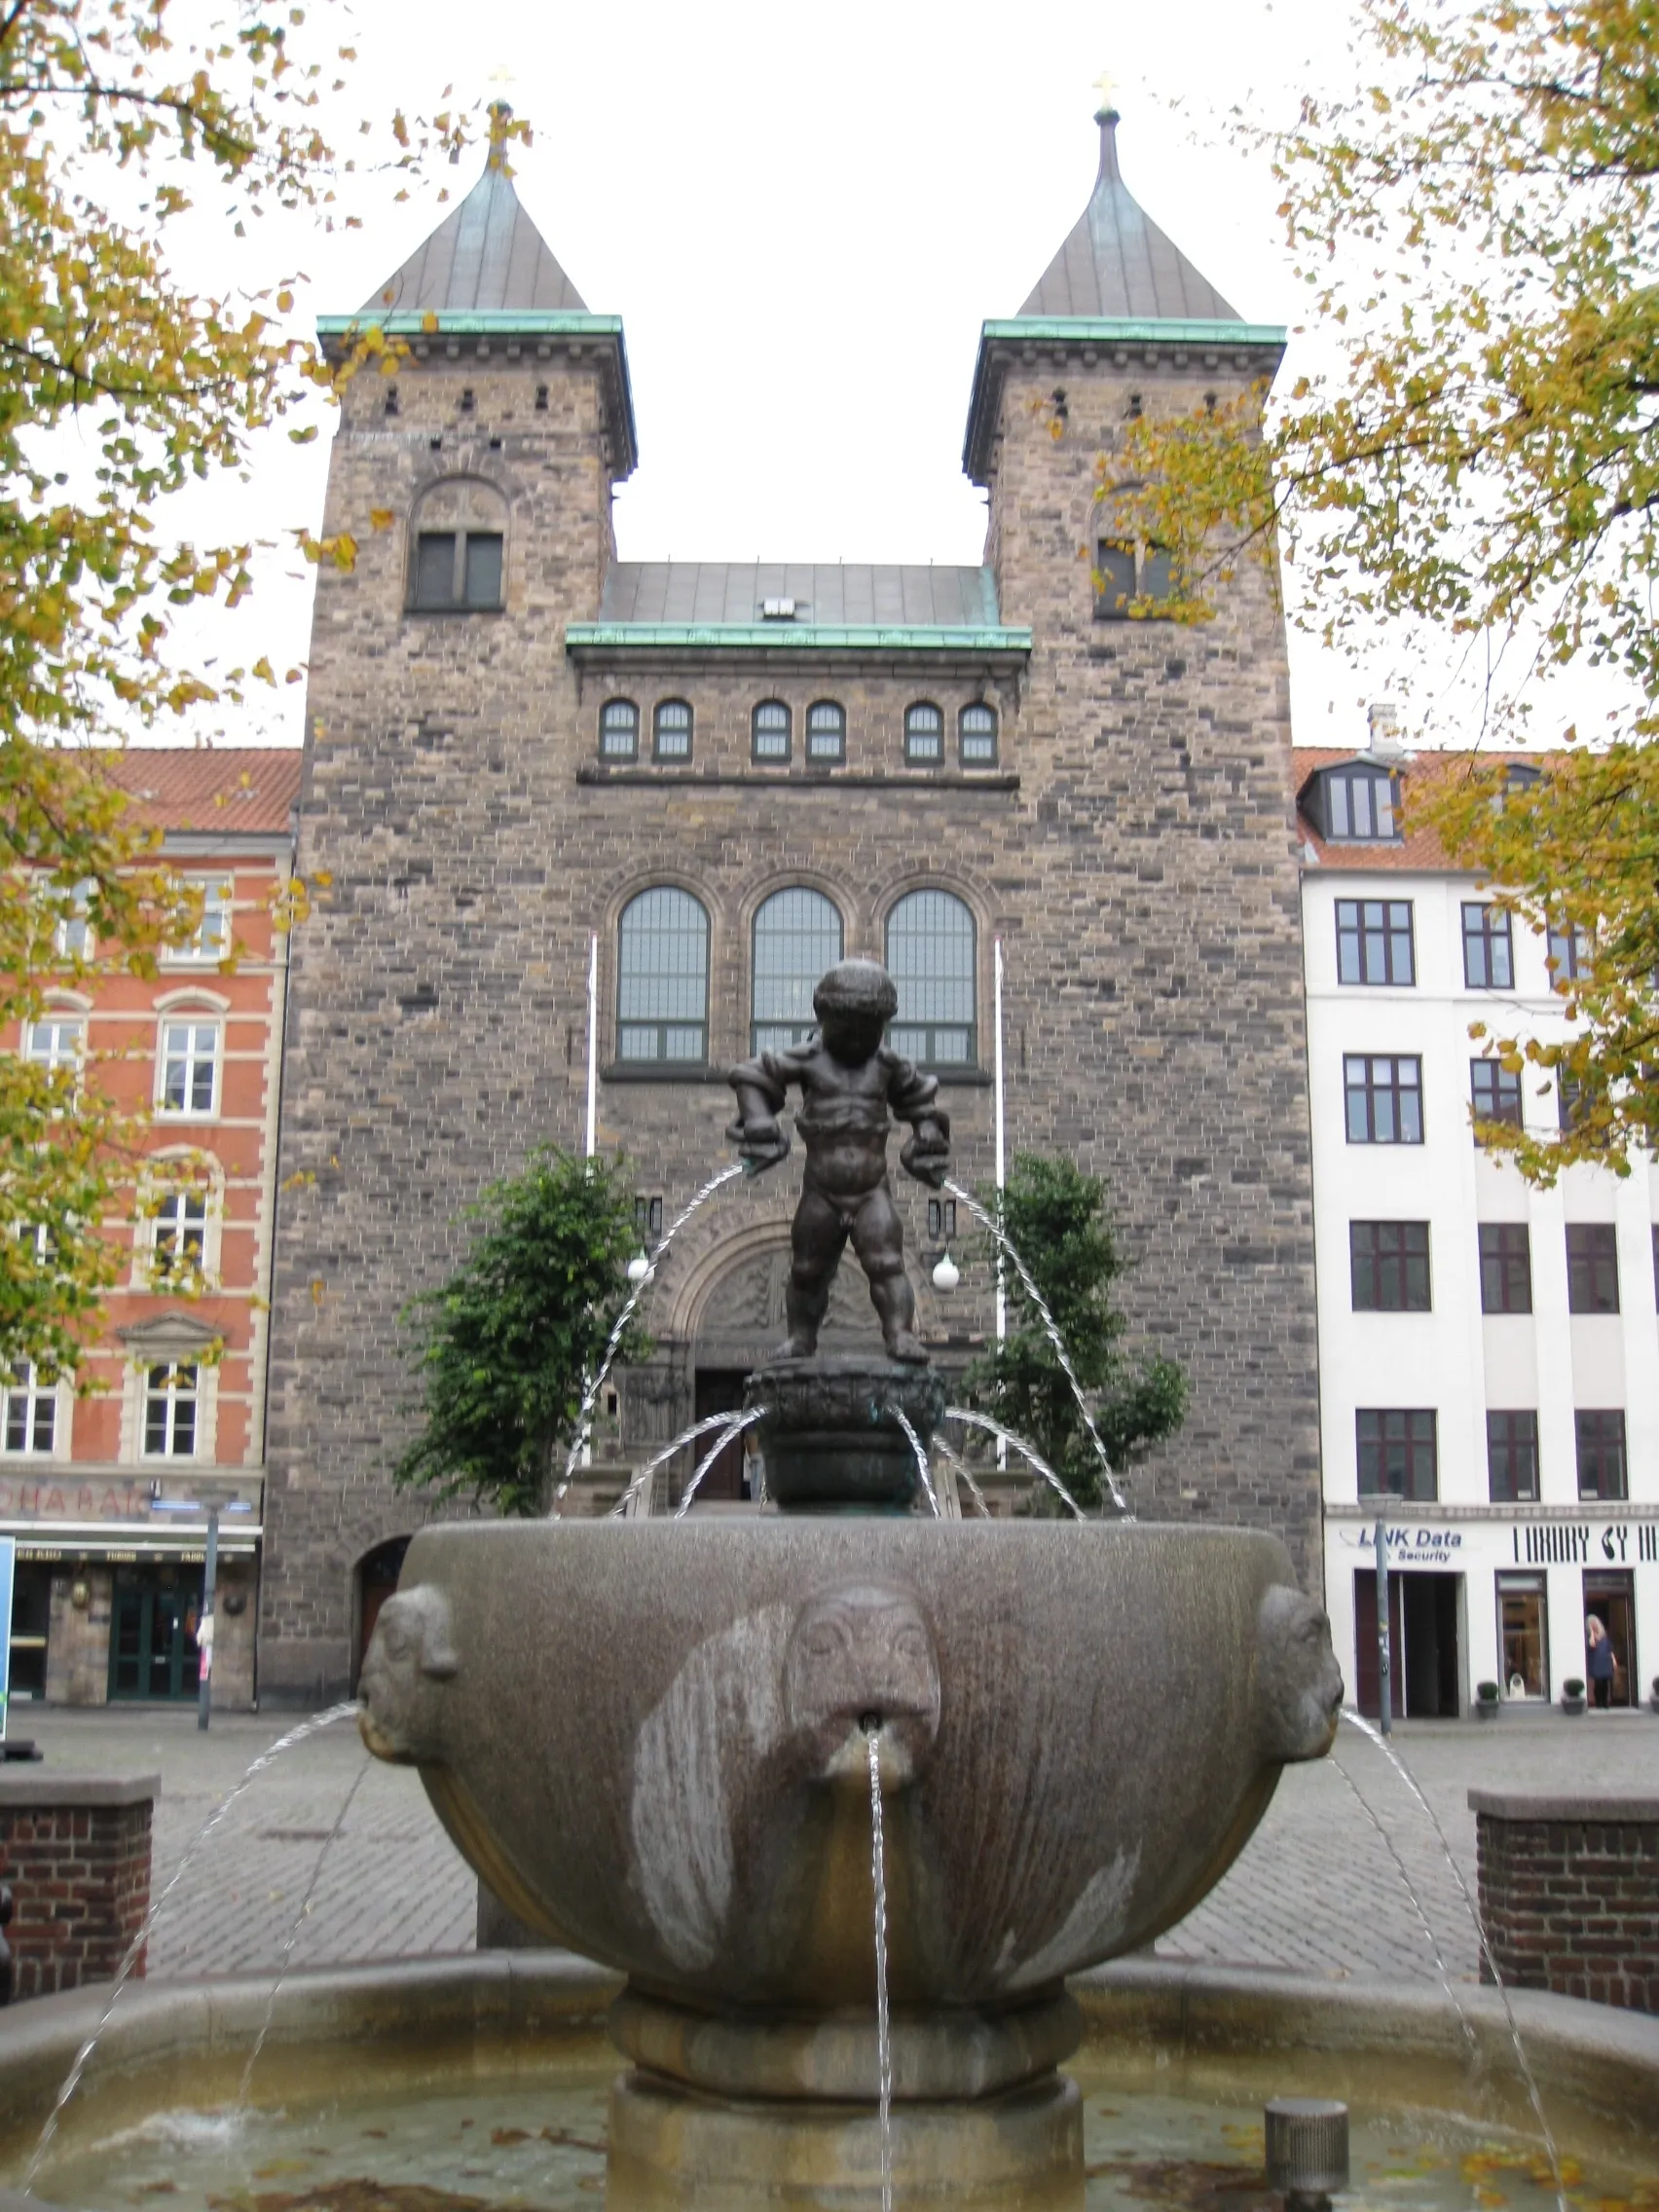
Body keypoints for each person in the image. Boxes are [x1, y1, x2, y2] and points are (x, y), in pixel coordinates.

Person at [726, 958, 950, 1364]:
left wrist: (928, 1132)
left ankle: (899, 1334)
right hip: (821, 1192)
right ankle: (801, 1339)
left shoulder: (887, 1066)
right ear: (825, 1018)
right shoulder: (809, 1059)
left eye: (868, 1030)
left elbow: (922, 1103)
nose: (857, 1039)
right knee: (808, 1270)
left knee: (886, 1263)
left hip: (871, 1191)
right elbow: (751, 1076)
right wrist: (759, 1120)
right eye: (848, 1029)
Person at [1586, 1614, 1616, 1710]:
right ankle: (1598, 1702)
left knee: (1605, 1683)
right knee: (1598, 1683)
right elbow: (1592, 1645)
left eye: (1594, 1623)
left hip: (1606, 1661)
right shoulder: (1588, 1636)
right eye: (1591, 1623)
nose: (1593, 1624)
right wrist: (1591, 1633)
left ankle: (1605, 1703)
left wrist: (1614, 1661)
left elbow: (1610, 1649)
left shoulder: (1604, 1636)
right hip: (1596, 1662)